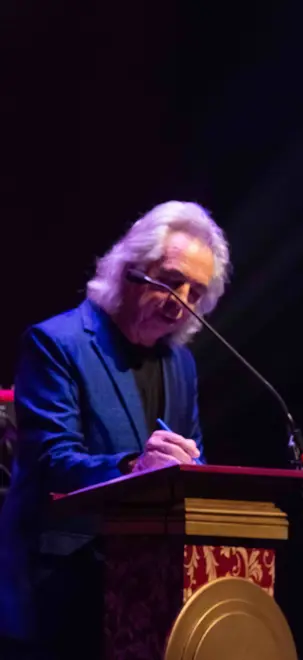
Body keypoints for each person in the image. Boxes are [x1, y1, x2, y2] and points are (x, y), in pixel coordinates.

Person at [0, 201, 231, 659]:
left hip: (145, 588)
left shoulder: (180, 364)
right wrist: (133, 467)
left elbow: (193, 458)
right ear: (130, 271)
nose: (182, 301)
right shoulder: (55, 343)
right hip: (57, 588)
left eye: (196, 291)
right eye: (170, 280)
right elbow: (53, 462)